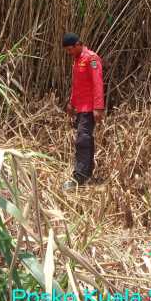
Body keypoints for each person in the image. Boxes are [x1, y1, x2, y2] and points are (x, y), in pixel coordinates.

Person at [62, 32, 104, 191]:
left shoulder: (91, 59)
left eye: (70, 50)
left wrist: (98, 107)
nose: (69, 53)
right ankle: (86, 173)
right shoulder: (77, 60)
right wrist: (72, 104)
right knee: (83, 140)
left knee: (82, 140)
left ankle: (79, 177)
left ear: (78, 44)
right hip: (80, 107)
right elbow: (77, 85)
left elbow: (97, 83)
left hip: (89, 108)